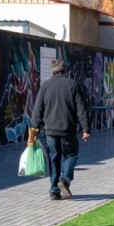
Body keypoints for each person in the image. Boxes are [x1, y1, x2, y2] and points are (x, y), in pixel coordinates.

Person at [32, 59, 90, 200]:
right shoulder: (72, 85)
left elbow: (37, 110)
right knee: (71, 155)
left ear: (52, 71)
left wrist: (34, 129)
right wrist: (86, 129)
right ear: (65, 71)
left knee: (54, 159)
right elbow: (81, 109)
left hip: (50, 131)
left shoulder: (45, 86)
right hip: (67, 130)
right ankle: (64, 180)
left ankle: (53, 191)